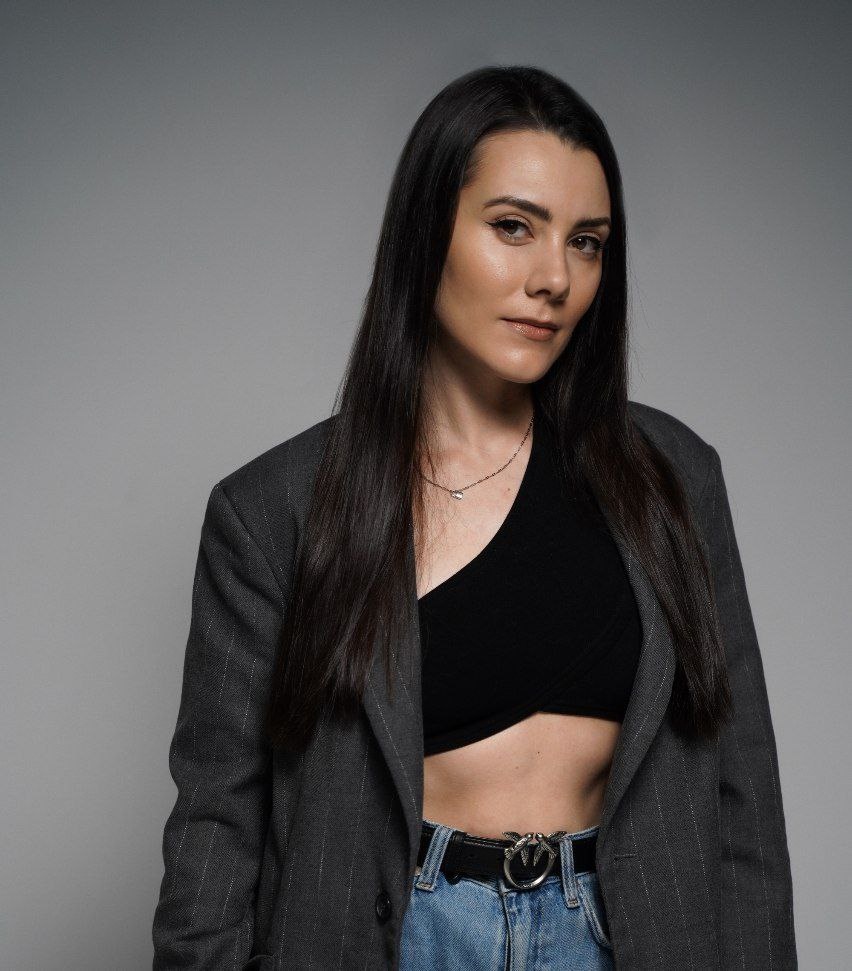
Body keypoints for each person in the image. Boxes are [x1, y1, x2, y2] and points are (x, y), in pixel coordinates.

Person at [152, 65, 797, 970]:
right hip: (397, 938)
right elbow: (216, 825)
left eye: (587, 242)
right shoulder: (273, 510)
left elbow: (743, 801)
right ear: (427, 233)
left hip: (619, 935)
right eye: (513, 227)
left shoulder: (675, 476)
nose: (554, 278)